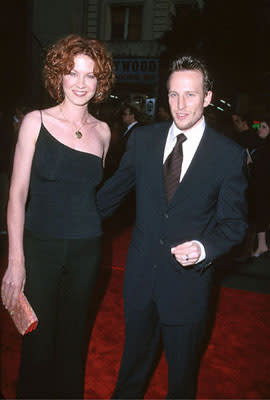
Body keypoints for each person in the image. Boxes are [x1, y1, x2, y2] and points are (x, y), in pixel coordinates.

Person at [97, 55, 248, 399]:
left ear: (208, 97)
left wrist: (204, 248)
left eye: (191, 95)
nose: (181, 105)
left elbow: (234, 225)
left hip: (187, 287)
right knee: (130, 371)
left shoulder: (228, 155)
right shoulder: (143, 140)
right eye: (173, 94)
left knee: (181, 381)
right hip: (140, 280)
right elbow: (111, 195)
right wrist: (65, 216)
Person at [1, 34, 114, 399]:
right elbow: (17, 195)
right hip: (40, 247)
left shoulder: (104, 133)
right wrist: (16, 260)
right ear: (58, 76)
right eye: (73, 73)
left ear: (100, 82)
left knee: (73, 342)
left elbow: (90, 194)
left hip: (87, 250)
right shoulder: (36, 122)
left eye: (90, 75)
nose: (81, 83)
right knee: (38, 343)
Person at [249, 117, 270, 258]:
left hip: (264, 187)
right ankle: (262, 245)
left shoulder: (265, 148)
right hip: (261, 187)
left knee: (261, 215)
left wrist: (251, 162)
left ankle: (263, 245)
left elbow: (262, 169)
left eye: (264, 127)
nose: (260, 130)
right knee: (261, 216)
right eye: (259, 127)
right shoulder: (260, 145)